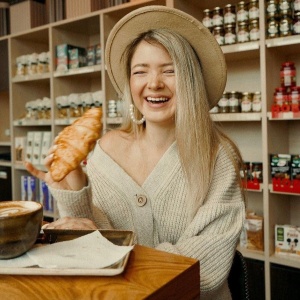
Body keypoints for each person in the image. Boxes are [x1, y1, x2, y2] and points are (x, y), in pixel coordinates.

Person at [26, 6, 246, 299]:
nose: (153, 83)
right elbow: (88, 240)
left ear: (190, 80)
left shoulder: (218, 158)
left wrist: (110, 247)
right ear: (130, 83)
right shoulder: (104, 151)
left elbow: (202, 271)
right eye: (140, 71)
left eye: (169, 70)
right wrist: (74, 191)